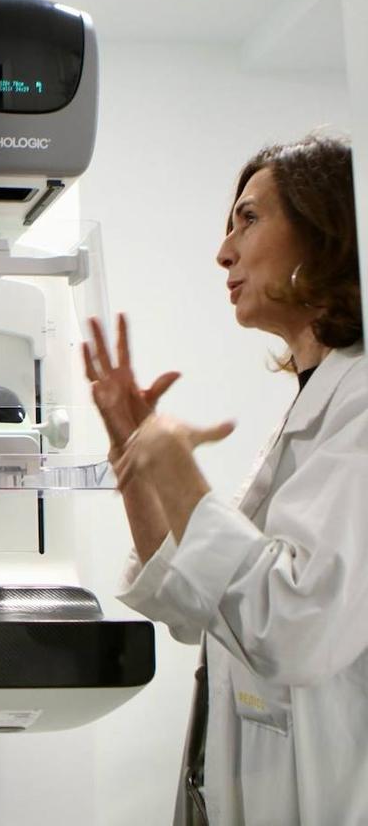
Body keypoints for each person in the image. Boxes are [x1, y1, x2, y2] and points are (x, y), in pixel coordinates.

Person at [82, 134, 366, 825]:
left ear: (323, 229)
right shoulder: (312, 403)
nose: (223, 252)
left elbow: (293, 624)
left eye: (247, 218)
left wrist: (176, 466)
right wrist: (134, 460)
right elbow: (192, 603)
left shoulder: (358, 401)